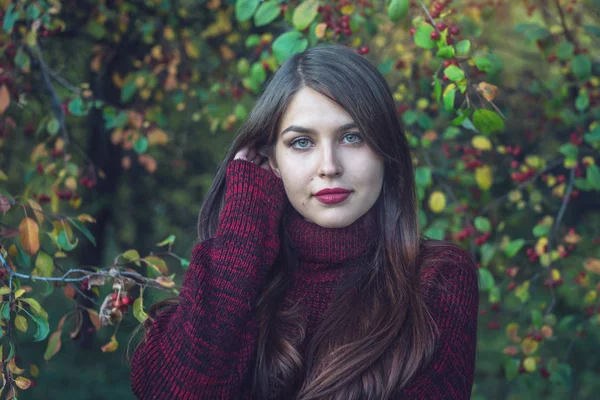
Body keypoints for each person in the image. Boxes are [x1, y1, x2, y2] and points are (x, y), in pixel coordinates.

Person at [129, 43, 479, 400]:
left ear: (385, 151)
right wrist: (242, 235)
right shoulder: (238, 277)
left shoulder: (438, 277)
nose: (329, 165)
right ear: (273, 161)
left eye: (352, 137)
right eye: (301, 142)